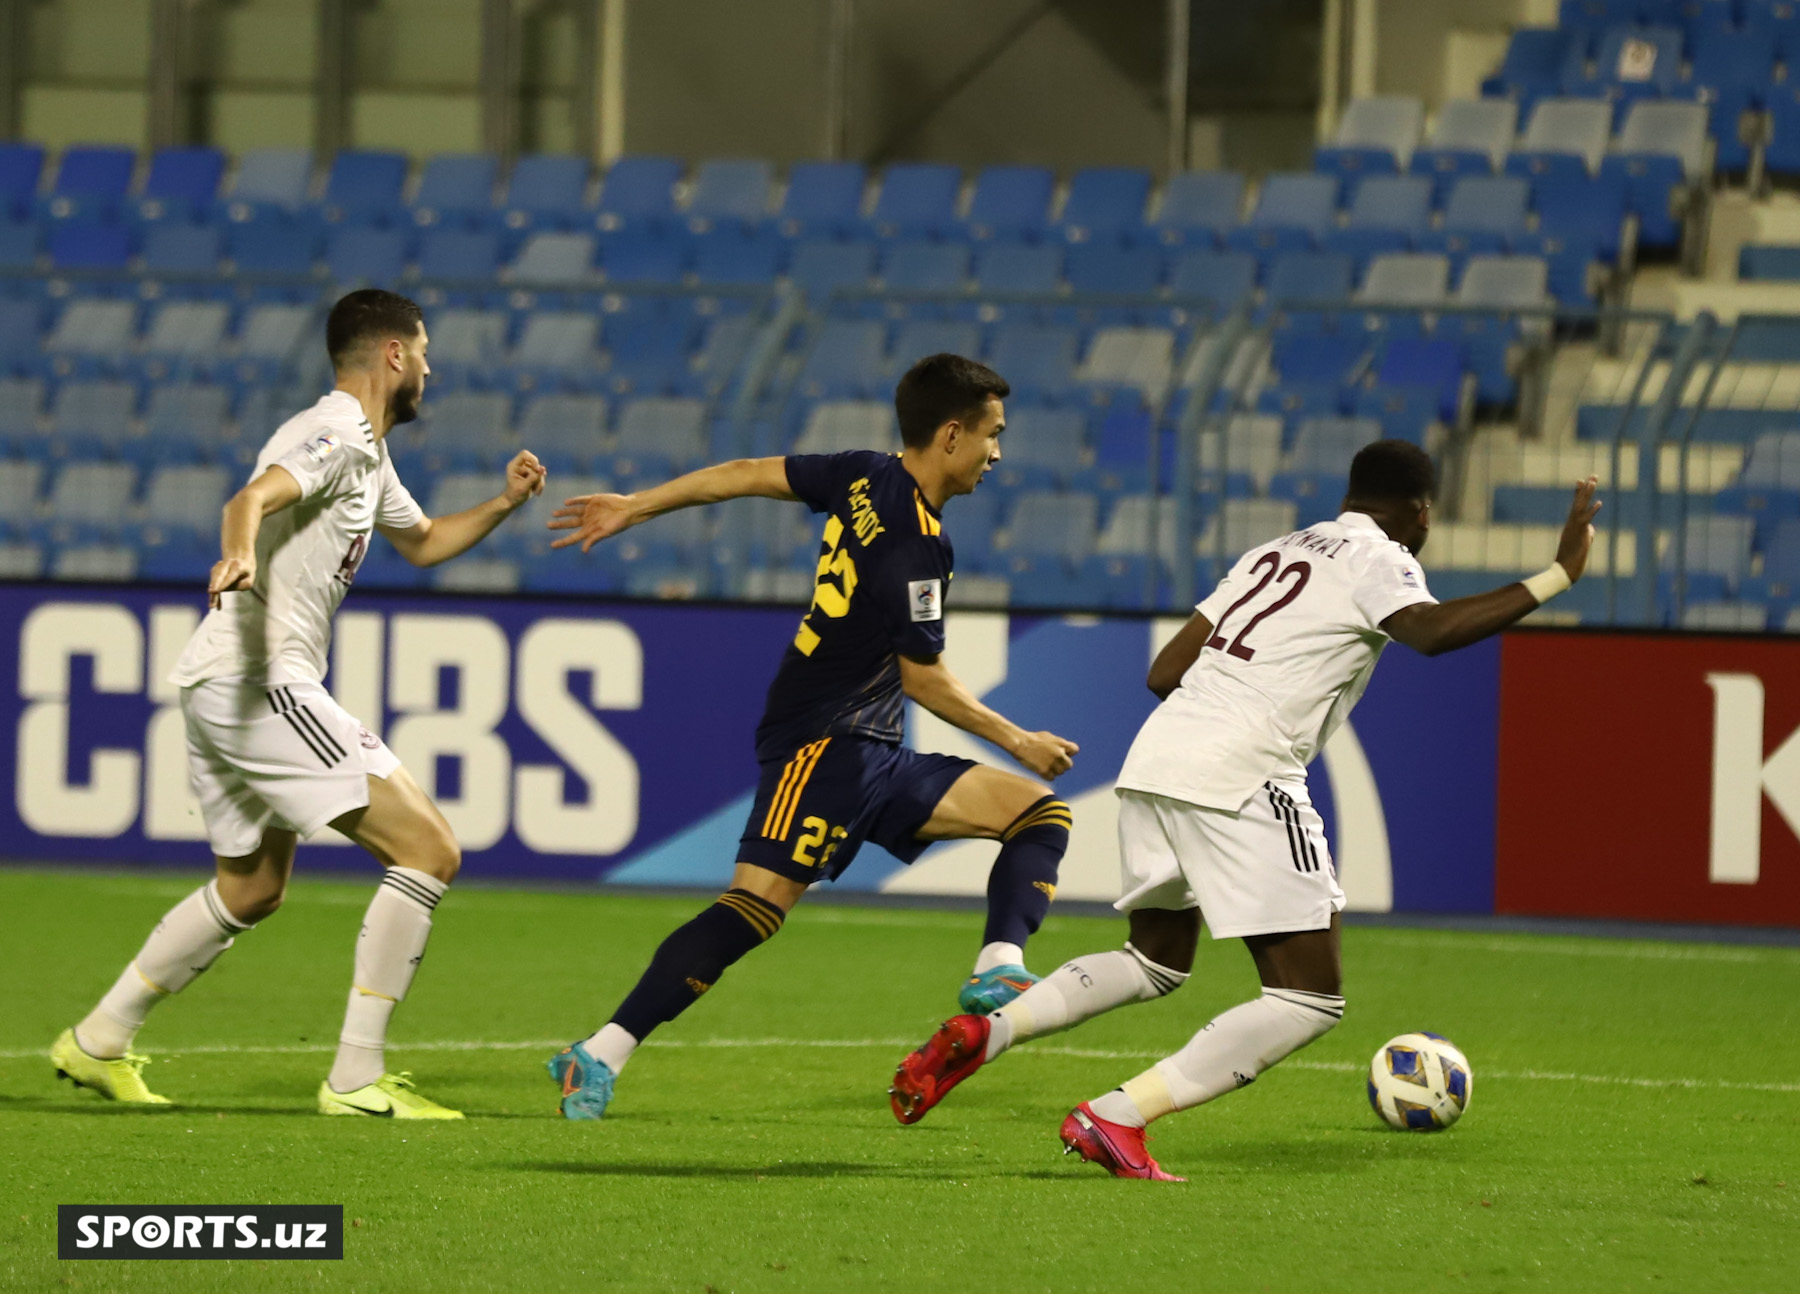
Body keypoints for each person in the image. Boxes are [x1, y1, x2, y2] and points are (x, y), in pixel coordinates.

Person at [890, 440, 1602, 1180]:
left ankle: (990, 1030)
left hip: (1160, 754)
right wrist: (1558, 575)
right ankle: (1116, 1115)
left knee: (1153, 960)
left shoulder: (1275, 551)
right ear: (1419, 515)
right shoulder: (1380, 557)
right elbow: (1430, 633)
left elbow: (1166, 670)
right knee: (1307, 998)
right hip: (1244, 768)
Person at [51, 289, 547, 1120]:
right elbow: (247, 500)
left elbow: (422, 543)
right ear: (393, 354)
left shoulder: (370, 454)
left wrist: (501, 504)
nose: (430, 367)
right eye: (422, 351)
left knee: (250, 889)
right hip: (261, 681)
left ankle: (97, 1040)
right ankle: (355, 1078)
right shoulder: (339, 432)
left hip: (222, 682)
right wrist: (240, 555)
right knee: (428, 849)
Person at [542, 353, 1079, 1120]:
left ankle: (998, 966)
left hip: (872, 747)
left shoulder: (864, 474)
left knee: (1037, 814)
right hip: (824, 741)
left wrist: (639, 504)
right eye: (993, 435)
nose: (999, 453)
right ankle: (596, 1054)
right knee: (753, 909)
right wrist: (1016, 737)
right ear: (952, 434)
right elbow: (924, 677)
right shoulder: (915, 543)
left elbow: (748, 471)